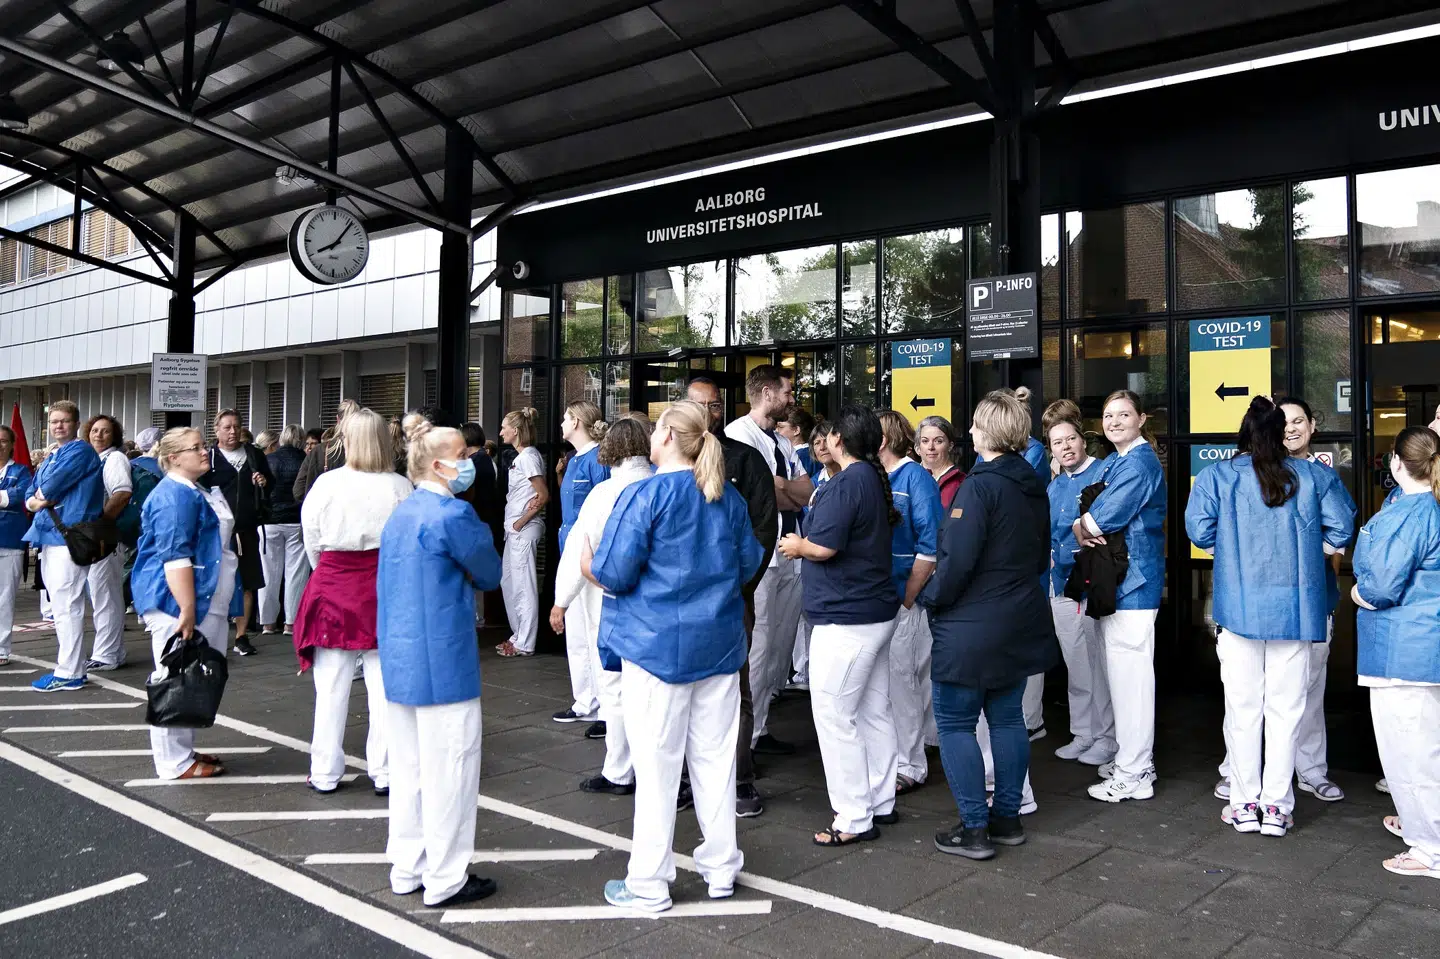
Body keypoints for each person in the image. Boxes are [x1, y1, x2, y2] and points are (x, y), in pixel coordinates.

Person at [587, 400, 765, 912]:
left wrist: (589, 565)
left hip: (655, 647)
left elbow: (615, 573)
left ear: (664, 436)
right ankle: (722, 867)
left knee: (658, 768)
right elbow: (746, 564)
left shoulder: (645, 495)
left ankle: (648, 881)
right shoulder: (726, 497)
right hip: (720, 645)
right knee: (715, 762)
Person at [1186, 397, 1355, 837]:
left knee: (1243, 709)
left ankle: (1244, 803)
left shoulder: (1218, 476)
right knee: (1287, 709)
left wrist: (1232, 550)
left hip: (1238, 604)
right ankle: (1277, 807)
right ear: (1281, 434)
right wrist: (1304, 551)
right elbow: (1342, 526)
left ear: (1244, 434)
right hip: (1297, 609)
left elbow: (1199, 530)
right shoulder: (1316, 475)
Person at [923, 390, 1059, 860]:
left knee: (956, 722)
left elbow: (956, 560)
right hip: (1018, 617)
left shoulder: (978, 486)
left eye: (976, 425)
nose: (971, 433)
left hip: (971, 623)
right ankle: (1007, 818)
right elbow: (1040, 551)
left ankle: (974, 828)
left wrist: (930, 598)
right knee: (1006, 719)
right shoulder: (1031, 482)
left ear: (987, 432)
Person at [378, 421, 503, 908]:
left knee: (408, 770)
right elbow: (489, 573)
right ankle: (447, 877)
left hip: (401, 655)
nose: (469, 457)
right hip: (445, 659)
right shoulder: (453, 515)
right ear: (437, 464)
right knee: (451, 768)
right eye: (460, 452)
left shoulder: (402, 513)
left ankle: (407, 867)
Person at [778, 405, 900, 846]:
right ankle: (880, 800)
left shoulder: (849, 482)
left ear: (840, 442)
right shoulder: (868, 477)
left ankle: (853, 816)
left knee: (834, 713)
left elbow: (823, 547)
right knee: (872, 709)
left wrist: (796, 545)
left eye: (830, 435)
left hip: (847, 617)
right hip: (871, 612)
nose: (823, 439)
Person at [296, 409, 413, 795]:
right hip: (382, 589)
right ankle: (386, 771)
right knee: (384, 688)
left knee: (330, 688)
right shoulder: (401, 486)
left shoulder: (327, 484)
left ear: (345, 440)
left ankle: (326, 771)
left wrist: (328, 571)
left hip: (333, 584)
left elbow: (312, 538)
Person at [1352, 425, 1440, 880]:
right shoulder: (1429, 506)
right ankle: (1424, 825)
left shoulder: (1411, 512)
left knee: (1412, 752)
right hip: (1426, 645)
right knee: (1427, 746)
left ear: (1394, 463)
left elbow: (1382, 586)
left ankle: (1430, 848)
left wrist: (1357, 594)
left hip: (1403, 650)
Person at [688, 377, 778, 817]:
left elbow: (765, 527)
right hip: (679, 603)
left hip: (731, 598)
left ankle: (740, 779)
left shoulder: (745, 459)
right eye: (699, 404)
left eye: (716, 404)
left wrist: (742, 584)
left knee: (735, 691)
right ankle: (689, 779)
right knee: (683, 691)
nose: (710, 411)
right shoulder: (671, 465)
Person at [1073, 390, 1168, 803]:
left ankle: (1135, 772)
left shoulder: (1140, 462)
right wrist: (1084, 520)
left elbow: (1098, 517)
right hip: (1121, 582)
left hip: (1135, 584)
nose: (1113, 422)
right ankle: (1130, 760)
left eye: (1123, 414)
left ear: (1142, 418)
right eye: (1108, 415)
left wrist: (1083, 524)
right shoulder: (1120, 460)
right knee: (1122, 680)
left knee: (1131, 685)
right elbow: (1087, 505)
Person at [551, 418, 654, 794]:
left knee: (614, 686)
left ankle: (619, 769)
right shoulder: (667, 485)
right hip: (658, 605)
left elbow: (581, 551)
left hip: (611, 601)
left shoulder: (605, 494)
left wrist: (561, 602)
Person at [131, 427, 237, 779]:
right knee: (172, 678)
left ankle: (183, 750)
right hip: (175, 600)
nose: (205, 452)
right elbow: (175, 556)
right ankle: (173, 762)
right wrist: (187, 609)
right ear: (173, 457)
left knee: (191, 677)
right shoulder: (175, 496)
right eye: (196, 448)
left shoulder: (194, 490)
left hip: (203, 599)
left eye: (203, 445)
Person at [726, 365, 812, 757]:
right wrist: (781, 489)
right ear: (765, 392)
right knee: (757, 648)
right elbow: (763, 498)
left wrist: (783, 488)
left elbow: (805, 491)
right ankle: (746, 740)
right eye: (787, 392)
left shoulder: (782, 440)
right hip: (763, 557)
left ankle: (760, 726)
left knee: (779, 647)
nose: (792, 399)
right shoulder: (737, 435)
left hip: (790, 551)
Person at [1043, 400, 1115, 766]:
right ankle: (1083, 733)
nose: (1065, 447)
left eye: (1070, 439)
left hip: (1094, 584)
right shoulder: (1054, 486)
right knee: (1076, 664)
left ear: (1083, 440)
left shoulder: (1104, 473)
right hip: (1061, 587)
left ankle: (1106, 737)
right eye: (1057, 443)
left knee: (1099, 664)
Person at [875, 410, 942, 798]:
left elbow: (929, 548)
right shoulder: (877, 477)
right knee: (889, 683)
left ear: (883, 439)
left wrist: (907, 598)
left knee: (904, 682)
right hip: (881, 598)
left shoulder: (914, 477)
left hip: (905, 598)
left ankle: (911, 764)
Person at [24, 400, 104, 692]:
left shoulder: (79, 451)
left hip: (68, 536)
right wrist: (38, 500)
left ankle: (69, 672)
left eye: (64, 421)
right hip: (53, 536)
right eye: (54, 421)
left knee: (67, 606)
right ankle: (73, 668)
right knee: (61, 605)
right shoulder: (54, 454)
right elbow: (31, 494)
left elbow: (48, 489)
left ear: (75, 423)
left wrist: (39, 499)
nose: (58, 426)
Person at [553, 401, 611, 724]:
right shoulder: (574, 460)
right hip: (569, 554)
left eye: (565, 417)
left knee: (593, 628)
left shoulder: (597, 460)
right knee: (576, 632)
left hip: (590, 555)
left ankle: (603, 705)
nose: (561, 423)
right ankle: (584, 700)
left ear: (576, 421)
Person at [203, 409, 274, 656]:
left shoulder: (253, 454)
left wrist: (264, 482)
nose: (232, 431)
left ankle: (241, 636)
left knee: (247, 581)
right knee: (217, 581)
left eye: (236, 426)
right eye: (226, 427)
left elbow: (270, 483)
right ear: (217, 430)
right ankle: (213, 631)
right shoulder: (208, 457)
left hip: (246, 528)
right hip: (216, 531)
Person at [81, 414, 133, 672]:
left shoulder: (114, 459)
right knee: (101, 594)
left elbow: (122, 493)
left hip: (105, 537)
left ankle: (107, 654)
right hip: (96, 536)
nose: (99, 435)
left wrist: (99, 523)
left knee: (105, 595)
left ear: (115, 436)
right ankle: (113, 651)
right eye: (95, 430)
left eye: (105, 432)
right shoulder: (95, 459)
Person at [496, 407, 547, 658]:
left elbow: (543, 494)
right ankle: (518, 636)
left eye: (504, 427)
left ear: (515, 431)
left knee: (523, 587)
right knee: (510, 583)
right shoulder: (522, 457)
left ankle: (525, 642)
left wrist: (521, 521)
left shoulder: (528, 457)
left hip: (522, 531)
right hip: (515, 530)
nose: (501, 431)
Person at [259, 425, 310, 636]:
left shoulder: (269, 459)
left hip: (270, 521)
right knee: (296, 574)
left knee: (268, 573)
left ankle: (267, 622)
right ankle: (291, 622)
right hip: (296, 520)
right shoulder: (306, 460)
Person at [0, 427, 30, 668]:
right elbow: (9, 498)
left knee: (4, 598)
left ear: (12, 444)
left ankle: (1, 649)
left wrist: (7, 498)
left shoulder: (20, 471)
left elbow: (21, 496)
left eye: (3, 441)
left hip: (9, 541)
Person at [294, 399, 360, 503]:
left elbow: (298, 491)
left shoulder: (319, 451)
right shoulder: (366, 452)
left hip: (323, 513)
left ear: (337, 419)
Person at [916, 415, 965, 510]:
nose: (931, 447)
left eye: (938, 441)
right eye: (925, 441)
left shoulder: (962, 483)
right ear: (917, 448)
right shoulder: (909, 479)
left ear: (950, 446)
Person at [778, 406, 819, 481]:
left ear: (796, 430)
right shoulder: (810, 453)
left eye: (781, 427)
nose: (776, 431)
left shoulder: (802, 457)